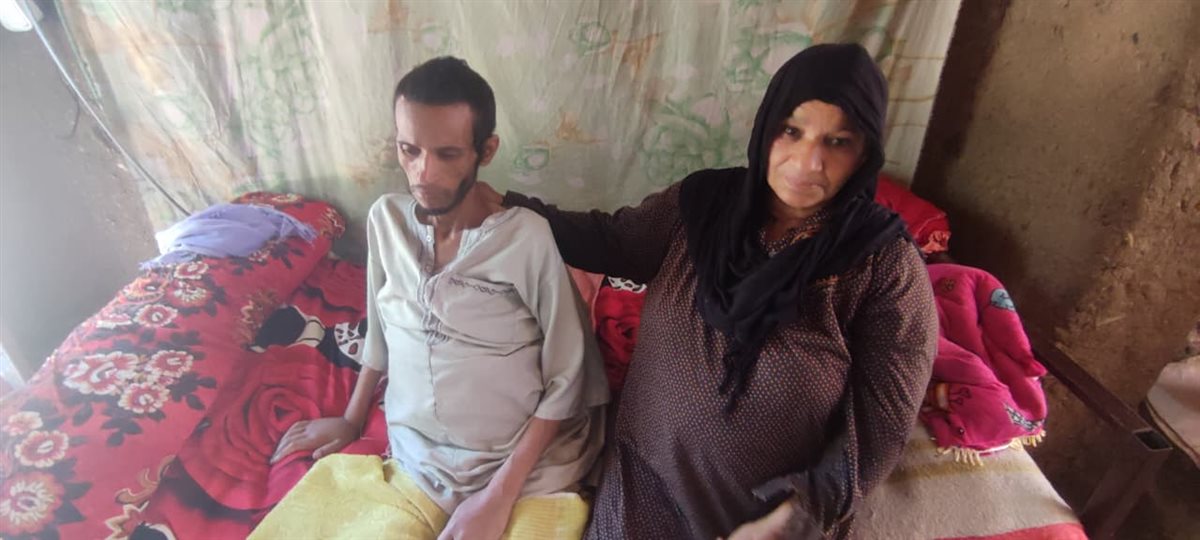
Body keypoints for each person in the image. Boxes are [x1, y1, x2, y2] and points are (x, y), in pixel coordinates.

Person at [484, 43, 938, 539]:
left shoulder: (883, 265)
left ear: (865, 152)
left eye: (838, 142)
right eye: (792, 131)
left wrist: (799, 514)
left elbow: (880, 425)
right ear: (767, 126)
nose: (809, 162)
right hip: (643, 488)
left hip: (769, 519)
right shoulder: (701, 206)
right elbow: (611, 240)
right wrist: (507, 207)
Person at [253, 57, 609, 540]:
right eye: (410, 150)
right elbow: (381, 328)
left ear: (486, 150)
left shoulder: (523, 238)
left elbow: (569, 377)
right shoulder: (386, 221)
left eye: (448, 154)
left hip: (524, 470)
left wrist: (498, 498)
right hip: (418, 461)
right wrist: (352, 419)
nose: (424, 173)